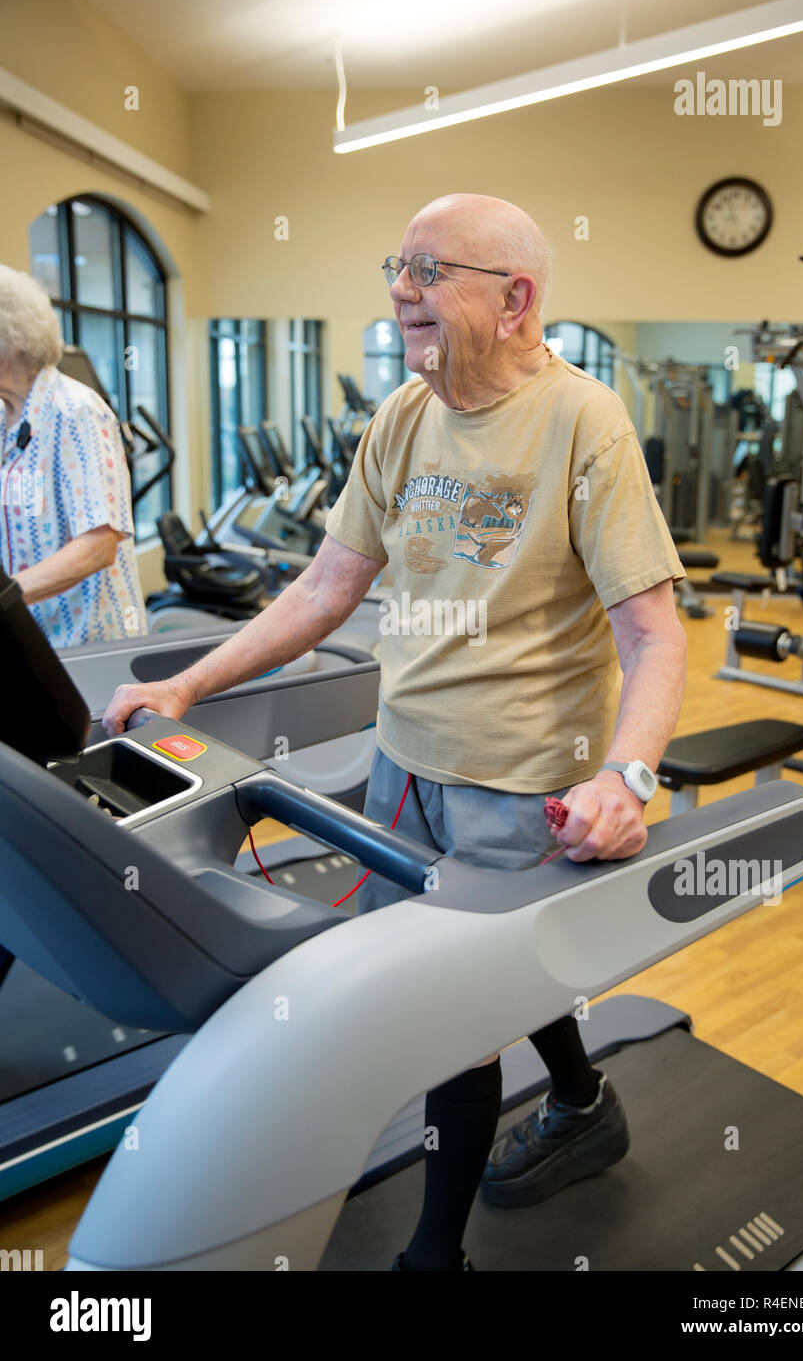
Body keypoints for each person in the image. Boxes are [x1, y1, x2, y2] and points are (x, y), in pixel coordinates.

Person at [103, 193, 687, 1272]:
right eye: (397, 265)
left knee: (446, 1022)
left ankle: (434, 1257)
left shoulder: (581, 420)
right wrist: (184, 684)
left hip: (523, 784)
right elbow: (324, 588)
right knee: (486, 979)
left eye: (430, 269)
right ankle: (579, 1094)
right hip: (403, 771)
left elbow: (653, 635)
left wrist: (627, 773)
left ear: (514, 299)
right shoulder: (401, 418)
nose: (399, 289)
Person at [0, 265, 146, 647]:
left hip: (86, 643)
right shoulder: (5, 417)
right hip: (33, 636)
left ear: (9, 343)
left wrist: (5, 597)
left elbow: (98, 546)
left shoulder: (76, 411)